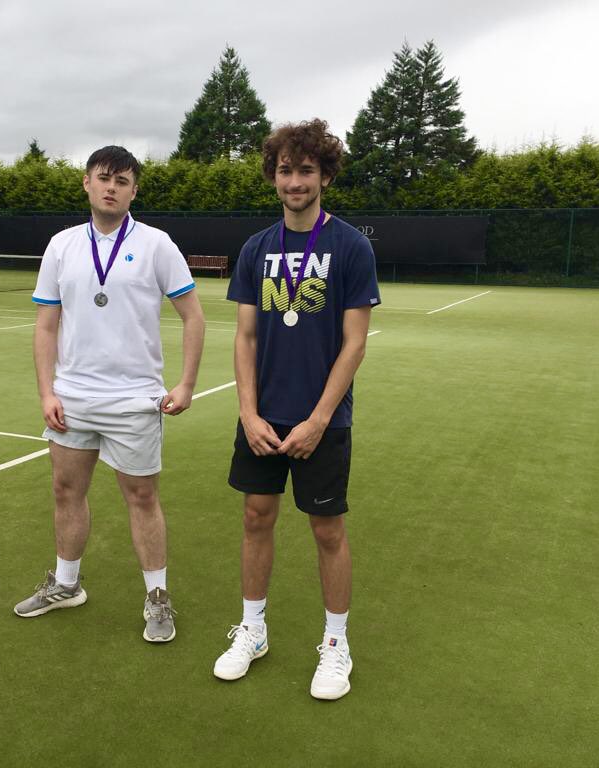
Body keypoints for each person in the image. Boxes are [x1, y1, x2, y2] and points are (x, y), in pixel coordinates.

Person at [212, 120, 380, 699]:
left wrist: (318, 420)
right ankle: (252, 630)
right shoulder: (256, 249)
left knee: (327, 529)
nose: (295, 181)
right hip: (263, 417)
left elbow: (354, 344)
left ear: (325, 176)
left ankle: (336, 645)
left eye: (306, 170)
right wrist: (248, 413)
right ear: (273, 177)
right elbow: (245, 338)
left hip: (322, 420)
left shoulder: (351, 247)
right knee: (256, 517)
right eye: (285, 170)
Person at [14, 145, 205, 643]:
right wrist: (47, 391)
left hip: (134, 400)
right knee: (65, 491)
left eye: (122, 181)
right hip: (72, 398)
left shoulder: (158, 244)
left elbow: (193, 317)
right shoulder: (61, 246)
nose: (111, 188)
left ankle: (157, 597)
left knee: (142, 497)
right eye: (104, 178)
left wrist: (186, 382)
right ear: (87, 183)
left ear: (133, 191)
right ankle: (66, 585)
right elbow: (46, 325)